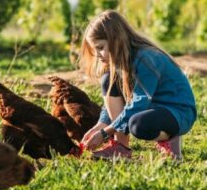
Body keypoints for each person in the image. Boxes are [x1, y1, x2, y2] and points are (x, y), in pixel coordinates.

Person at [80, 10, 197, 160]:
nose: (98, 54)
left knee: (138, 125)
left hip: (177, 112)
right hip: (153, 108)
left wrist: (104, 134)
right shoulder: (121, 63)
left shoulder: (146, 59)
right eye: (95, 49)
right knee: (108, 79)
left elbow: (138, 105)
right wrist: (100, 126)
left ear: (116, 40)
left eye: (101, 47)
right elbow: (112, 104)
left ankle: (169, 138)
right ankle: (120, 147)